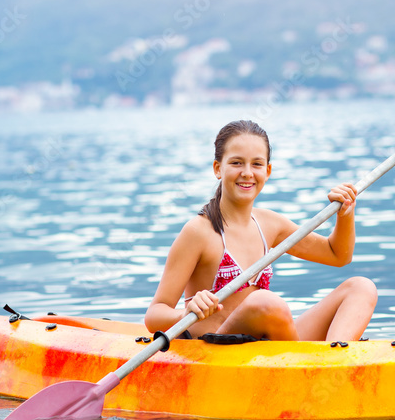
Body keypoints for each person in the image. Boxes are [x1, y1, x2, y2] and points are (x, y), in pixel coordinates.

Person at [145, 120, 377, 342]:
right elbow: (154, 314)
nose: (247, 172)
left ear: (267, 171)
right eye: (236, 163)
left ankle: (333, 362)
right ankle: (306, 368)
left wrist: (345, 214)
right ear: (218, 168)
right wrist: (185, 313)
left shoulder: (270, 224)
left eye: (256, 164)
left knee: (361, 287)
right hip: (217, 347)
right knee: (265, 302)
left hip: (267, 344)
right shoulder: (199, 232)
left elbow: (337, 255)